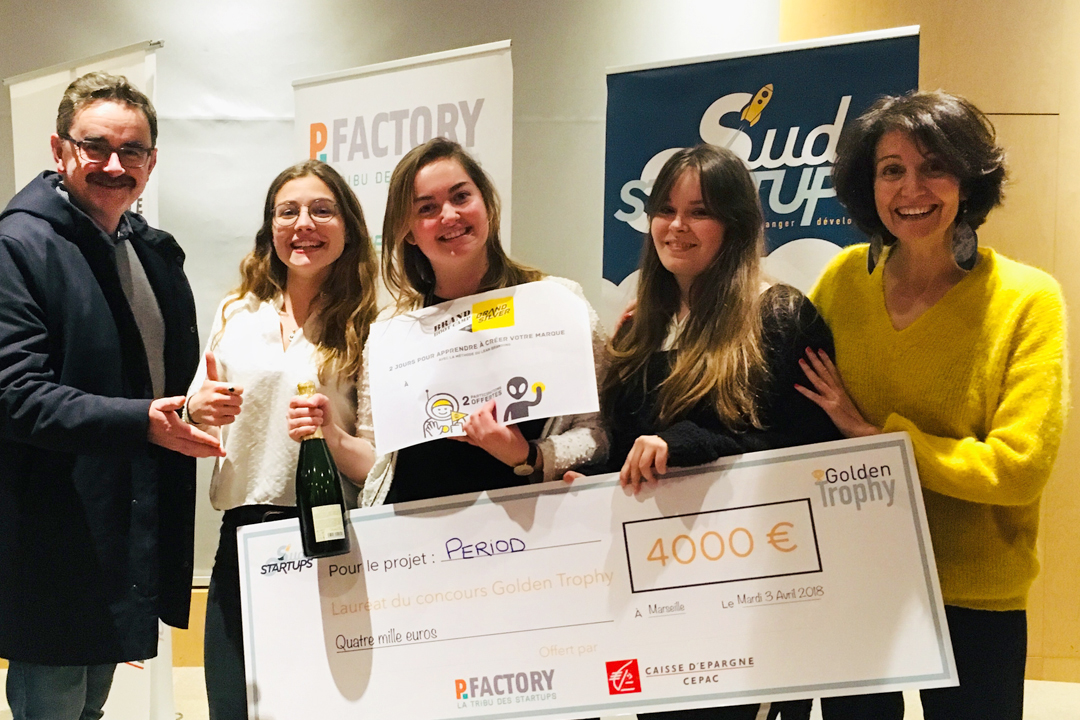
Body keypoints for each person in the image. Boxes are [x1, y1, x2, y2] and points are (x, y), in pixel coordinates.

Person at [799, 91, 1068, 720]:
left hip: (973, 593)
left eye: (934, 166)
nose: (911, 189)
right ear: (869, 185)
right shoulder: (843, 280)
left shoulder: (1027, 299)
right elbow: (781, 381)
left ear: (968, 179)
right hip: (857, 575)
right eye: (891, 169)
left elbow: (1019, 468)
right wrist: (676, 316)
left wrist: (879, 441)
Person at [0, 72, 223, 720]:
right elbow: (14, 392)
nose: (114, 165)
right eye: (95, 146)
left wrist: (190, 407)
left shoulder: (146, 250)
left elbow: (146, 382)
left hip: (122, 523)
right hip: (51, 528)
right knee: (52, 705)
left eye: (132, 151)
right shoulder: (18, 246)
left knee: (90, 706)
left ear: (151, 162)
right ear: (59, 149)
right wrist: (143, 422)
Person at [600, 144, 840, 720]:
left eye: (700, 212)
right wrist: (588, 481)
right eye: (665, 209)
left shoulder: (779, 316)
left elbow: (801, 457)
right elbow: (621, 446)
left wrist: (681, 446)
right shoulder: (638, 327)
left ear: (735, 225)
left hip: (750, 590)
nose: (676, 226)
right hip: (657, 586)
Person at [183, 160, 379, 720]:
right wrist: (197, 409)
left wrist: (331, 434)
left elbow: (380, 465)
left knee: (321, 706)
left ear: (348, 227)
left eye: (322, 210)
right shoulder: (237, 311)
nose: (303, 224)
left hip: (331, 536)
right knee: (232, 704)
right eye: (287, 211)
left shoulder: (373, 323)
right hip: (243, 535)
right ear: (270, 227)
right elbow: (198, 419)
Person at [360, 137, 607, 507]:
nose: (449, 216)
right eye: (427, 208)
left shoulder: (558, 302)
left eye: (461, 197)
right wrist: (327, 432)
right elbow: (374, 452)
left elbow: (599, 434)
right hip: (412, 531)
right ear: (407, 231)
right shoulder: (393, 329)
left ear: (487, 203)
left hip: (528, 527)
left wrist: (528, 455)